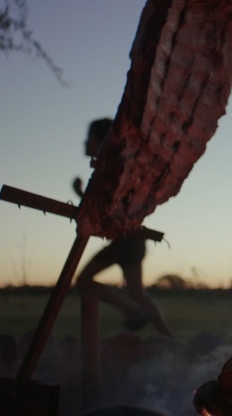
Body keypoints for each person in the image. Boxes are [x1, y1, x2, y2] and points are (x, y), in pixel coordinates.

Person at [73, 118, 175, 338]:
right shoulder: (118, 166)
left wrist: (79, 192)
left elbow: (102, 208)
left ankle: (133, 311)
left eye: (89, 138)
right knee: (137, 292)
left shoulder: (110, 169)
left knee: (83, 281)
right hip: (133, 239)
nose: (85, 142)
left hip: (125, 239)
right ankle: (167, 337)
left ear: (102, 141)